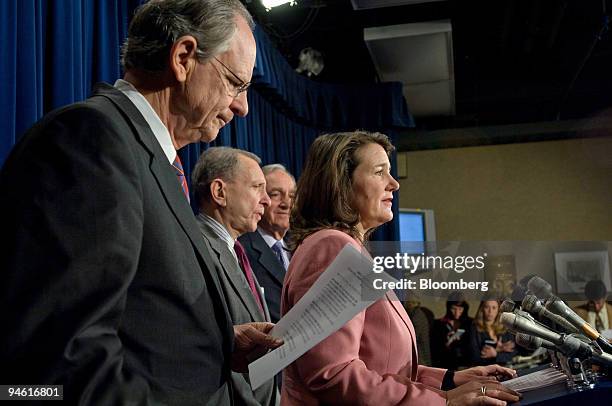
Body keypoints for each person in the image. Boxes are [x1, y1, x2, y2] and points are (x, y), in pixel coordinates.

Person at [0, 1, 282, 404]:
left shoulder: (151, 159)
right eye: (236, 83)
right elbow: (64, 361)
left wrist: (219, 342)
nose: (242, 106)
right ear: (184, 58)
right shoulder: (90, 141)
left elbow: (143, 312)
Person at [281, 131, 520, 405]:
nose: (393, 184)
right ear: (341, 183)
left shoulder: (348, 249)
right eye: (379, 172)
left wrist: (449, 380)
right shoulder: (331, 248)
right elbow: (334, 375)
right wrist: (445, 402)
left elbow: (383, 365)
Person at [192, 147, 278, 405]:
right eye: (256, 187)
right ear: (220, 192)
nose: (267, 200)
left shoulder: (237, 250)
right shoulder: (196, 248)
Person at [239, 164, 296, 324]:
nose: (286, 203)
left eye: (292, 196)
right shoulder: (241, 250)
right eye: (276, 195)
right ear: (261, 199)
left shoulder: (303, 248)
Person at [467, 299, 517, 366]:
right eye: (487, 307)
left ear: (498, 310)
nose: (490, 311)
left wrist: (496, 353)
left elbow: (513, 353)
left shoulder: (504, 328)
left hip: (505, 368)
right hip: (483, 371)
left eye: (494, 308)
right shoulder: (474, 329)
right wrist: (500, 349)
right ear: (482, 309)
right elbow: (474, 357)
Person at [431, 292, 472, 369]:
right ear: (448, 308)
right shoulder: (439, 324)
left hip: (465, 364)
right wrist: (447, 341)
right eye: (453, 308)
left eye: (460, 309)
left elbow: (472, 346)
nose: (457, 313)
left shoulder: (470, 323)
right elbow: (435, 349)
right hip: (444, 363)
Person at [406, 295, 433, 366]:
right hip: (421, 355)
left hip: (420, 356)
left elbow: (413, 337)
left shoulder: (417, 316)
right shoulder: (418, 314)